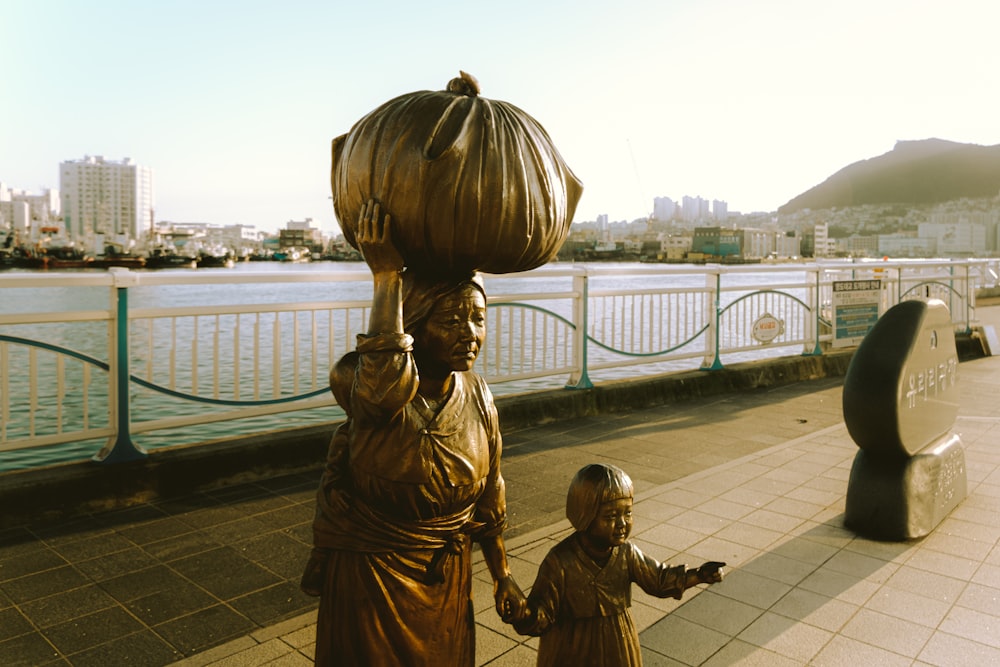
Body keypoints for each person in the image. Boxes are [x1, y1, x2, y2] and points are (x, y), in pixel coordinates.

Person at [301, 199, 526, 666]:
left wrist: (502, 573)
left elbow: (491, 495)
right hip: (373, 576)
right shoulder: (379, 401)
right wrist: (386, 279)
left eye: (477, 318)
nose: (470, 333)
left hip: (446, 575)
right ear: (415, 328)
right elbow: (382, 383)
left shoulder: (479, 397)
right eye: (451, 320)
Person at [512, 463, 725, 667]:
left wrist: (699, 575)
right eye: (611, 516)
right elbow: (544, 612)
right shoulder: (560, 561)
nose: (622, 523)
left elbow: (659, 578)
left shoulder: (626, 553)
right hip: (572, 645)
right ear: (584, 515)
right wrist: (524, 614)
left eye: (628, 513)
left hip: (618, 640)